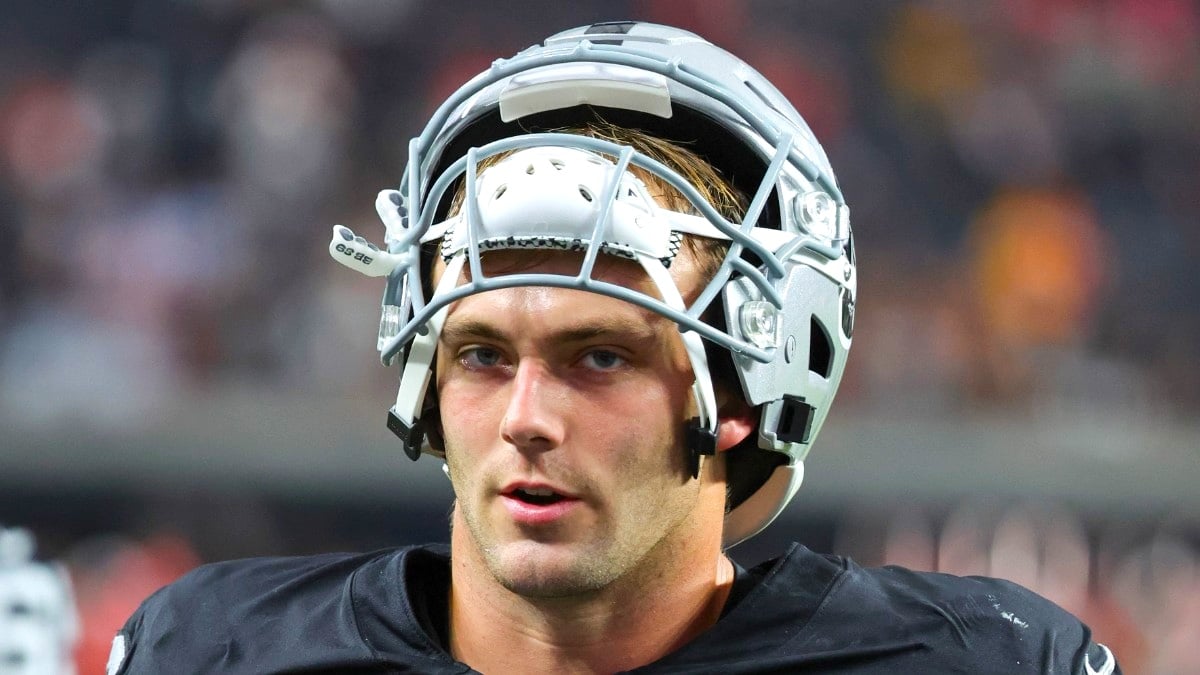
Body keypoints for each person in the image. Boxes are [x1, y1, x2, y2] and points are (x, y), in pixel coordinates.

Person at [108, 21, 1119, 674]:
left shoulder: (980, 661)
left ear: (745, 385)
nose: (526, 419)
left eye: (601, 357)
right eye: (481, 355)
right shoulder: (212, 652)